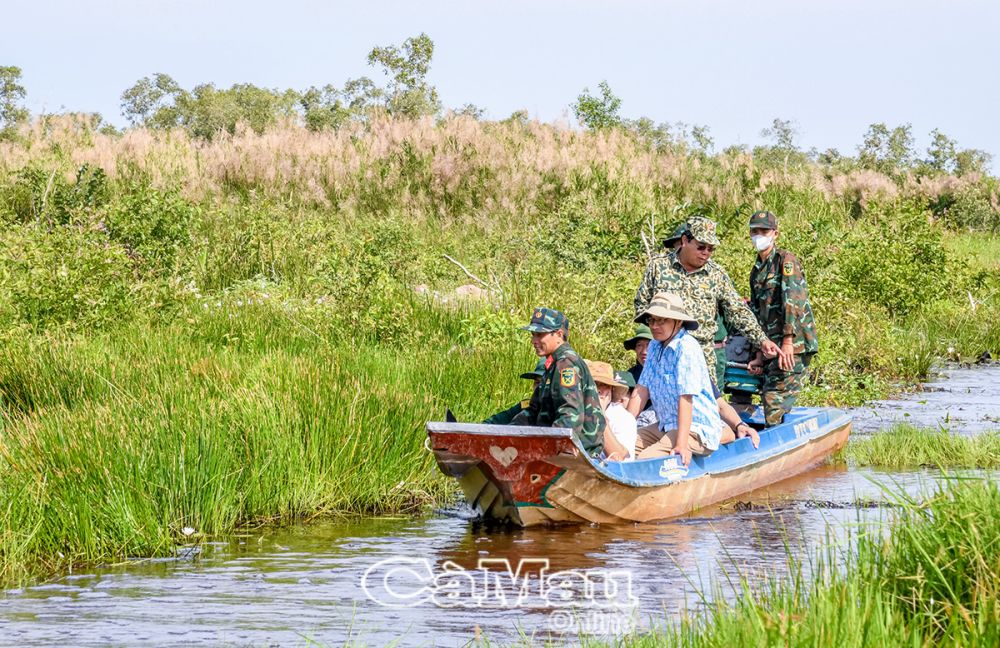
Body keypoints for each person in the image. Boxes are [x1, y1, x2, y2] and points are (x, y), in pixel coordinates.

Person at [634, 215, 785, 382]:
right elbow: (641, 304)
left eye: (710, 249)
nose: (706, 253)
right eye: (701, 247)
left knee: (706, 405)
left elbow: (737, 311)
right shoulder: (658, 267)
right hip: (665, 352)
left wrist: (762, 340)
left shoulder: (716, 274)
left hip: (702, 356)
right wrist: (661, 327)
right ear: (685, 240)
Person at [625, 292, 727, 466]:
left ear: (678, 322)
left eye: (661, 320)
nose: (655, 326)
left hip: (695, 428)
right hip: (666, 425)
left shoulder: (686, 347)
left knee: (645, 461)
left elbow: (685, 398)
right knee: (624, 446)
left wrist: (681, 445)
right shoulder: (655, 346)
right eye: (652, 320)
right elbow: (641, 391)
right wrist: (624, 426)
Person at [746, 210, 819, 426]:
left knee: (773, 400)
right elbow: (756, 314)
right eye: (755, 231)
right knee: (768, 397)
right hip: (772, 347)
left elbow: (792, 301)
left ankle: (779, 451)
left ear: (775, 234)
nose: (759, 235)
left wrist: (788, 342)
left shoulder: (785, 261)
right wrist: (758, 352)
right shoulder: (757, 270)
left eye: (764, 231)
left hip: (793, 346)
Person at [510, 308, 606, 456]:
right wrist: (507, 434)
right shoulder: (554, 364)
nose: (533, 341)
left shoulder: (566, 363)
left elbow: (570, 415)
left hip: (576, 455)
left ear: (559, 335)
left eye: (540, 335)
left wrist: (549, 450)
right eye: (533, 334)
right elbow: (533, 410)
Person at [586, 361, 637, 461]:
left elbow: (619, 459)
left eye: (603, 385)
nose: (598, 390)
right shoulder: (575, 411)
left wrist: (599, 415)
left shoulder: (624, 419)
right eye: (594, 384)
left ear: (611, 390)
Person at [483, 359, 545, 425]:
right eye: (537, 382)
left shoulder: (556, 412)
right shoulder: (525, 405)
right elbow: (494, 421)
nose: (539, 387)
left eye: (545, 382)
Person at [623, 324, 656, 428]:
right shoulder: (630, 375)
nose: (644, 351)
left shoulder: (667, 372)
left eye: (649, 344)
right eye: (639, 345)